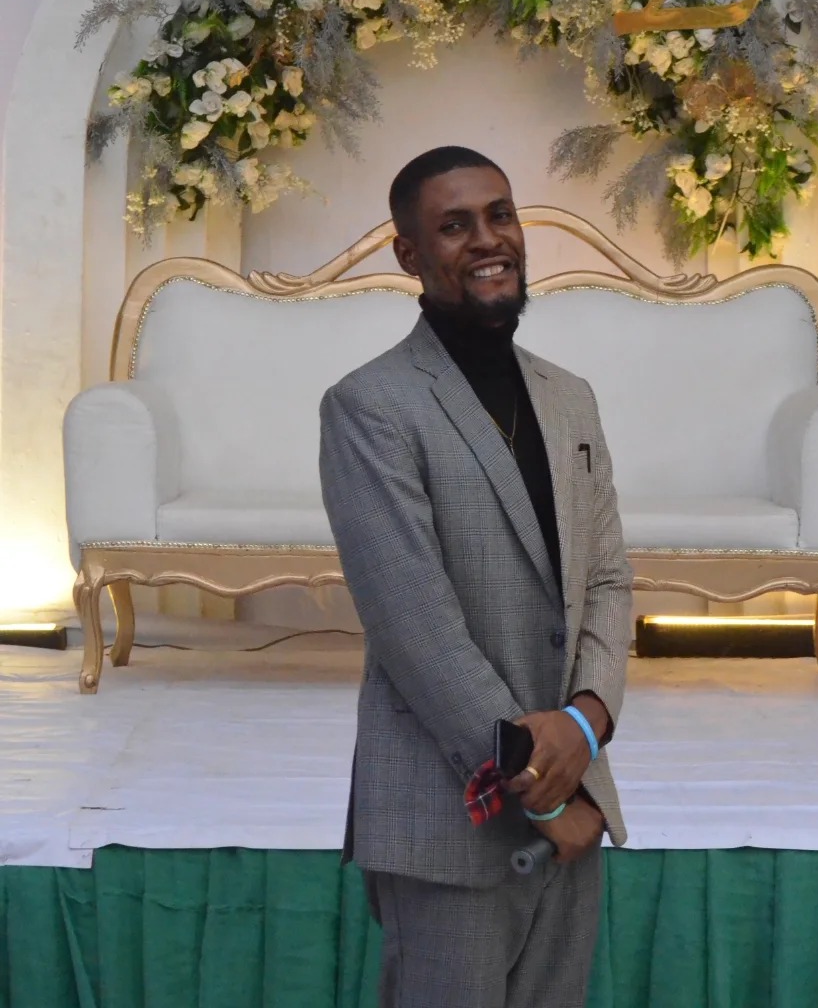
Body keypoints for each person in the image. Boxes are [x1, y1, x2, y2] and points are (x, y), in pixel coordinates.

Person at [319, 145, 632, 1008]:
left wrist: (585, 723)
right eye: (455, 226)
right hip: (450, 820)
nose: (489, 239)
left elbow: (608, 578)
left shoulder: (570, 398)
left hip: (575, 795)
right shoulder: (371, 406)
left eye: (500, 214)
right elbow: (412, 625)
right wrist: (542, 793)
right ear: (410, 254)